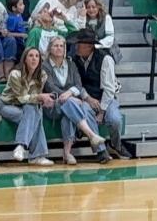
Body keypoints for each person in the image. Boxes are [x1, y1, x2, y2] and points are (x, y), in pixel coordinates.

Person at [41, 37, 110, 165]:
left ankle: (67, 153)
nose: (59, 48)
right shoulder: (44, 66)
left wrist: (70, 93)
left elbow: (78, 85)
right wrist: (69, 96)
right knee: (70, 103)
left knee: (69, 114)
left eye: (61, 46)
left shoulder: (71, 64)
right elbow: (50, 86)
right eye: (56, 46)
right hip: (52, 104)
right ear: (50, 48)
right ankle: (91, 136)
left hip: (69, 105)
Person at [71, 30, 129, 159]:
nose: (76, 47)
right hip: (87, 98)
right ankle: (100, 150)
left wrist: (102, 111)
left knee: (115, 119)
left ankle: (115, 145)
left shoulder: (106, 59)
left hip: (106, 97)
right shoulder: (74, 60)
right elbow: (77, 84)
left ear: (89, 46)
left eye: (79, 44)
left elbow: (109, 88)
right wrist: (88, 98)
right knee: (85, 112)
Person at [0, 46, 55, 166]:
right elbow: (21, 98)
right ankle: (36, 155)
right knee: (34, 115)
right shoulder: (15, 74)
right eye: (30, 56)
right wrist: (40, 97)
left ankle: (21, 147)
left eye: (37, 56)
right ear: (24, 59)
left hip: (27, 107)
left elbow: (33, 99)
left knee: (33, 110)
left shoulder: (42, 75)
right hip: (8, 105)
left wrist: (45, 100)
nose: (34, 59)